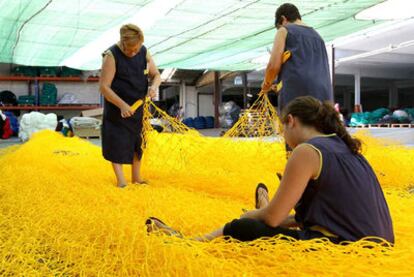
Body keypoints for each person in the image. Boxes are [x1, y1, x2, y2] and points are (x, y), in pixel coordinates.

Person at [146, 96, 394, 244]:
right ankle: (265, 204)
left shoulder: (307, 152)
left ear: (291, 121)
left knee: (241, 227)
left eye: (282, 129)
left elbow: (273, 219)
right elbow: (333, 210)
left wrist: (251, 215)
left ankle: (191, 243)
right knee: (270, 217)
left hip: (343, 248)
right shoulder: (344, 147)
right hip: (378, 244)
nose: (283, 137)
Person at [99, 24, 161, 188]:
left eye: (136, 49)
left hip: (138, 106)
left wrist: (154, 87)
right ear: (122, 42)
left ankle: (137, 178)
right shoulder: (111, 55)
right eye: (129, 49)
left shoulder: (144, 51)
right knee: (117, 142)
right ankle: (121, 182)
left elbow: (156, 75)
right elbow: (104, 87)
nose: (133, 53)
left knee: (137, 142)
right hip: (117, 107)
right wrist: (122, 105)